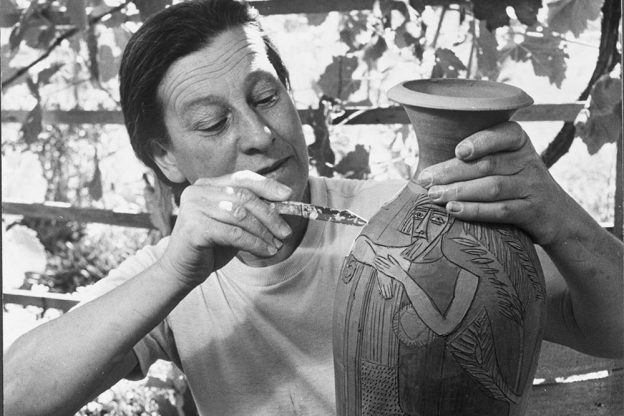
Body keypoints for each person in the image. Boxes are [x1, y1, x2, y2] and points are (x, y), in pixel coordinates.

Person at [4, 1, 622, 415]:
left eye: (265, 97)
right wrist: (174, 272)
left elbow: (610, 331)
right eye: (213, 122)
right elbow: (16, 394)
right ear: (166, 159)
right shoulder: (173, 275)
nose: (259, 134)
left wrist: (560, 216)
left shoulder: (409, 218)